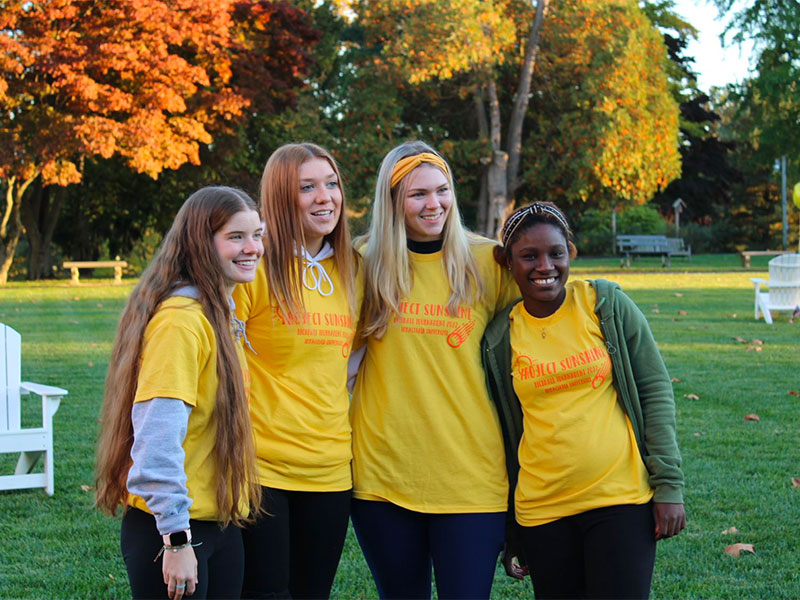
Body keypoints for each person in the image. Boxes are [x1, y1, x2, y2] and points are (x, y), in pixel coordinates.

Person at [482, 202, 686, 599]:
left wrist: (669, 486)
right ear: (508, 263)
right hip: (542, 510)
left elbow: (655, 391)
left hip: (619, 499)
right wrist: (512, 529)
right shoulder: (499, 338)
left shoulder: (604, 305)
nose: (545, 266)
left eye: (556, 253)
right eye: (529, 256)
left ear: (569, 253)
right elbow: (502, 436)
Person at [349, 140, 520, 599]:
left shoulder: (489, 261)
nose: (434, 204)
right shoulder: (362, 263)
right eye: (417, 194)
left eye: (442, 190)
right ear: (392, 201)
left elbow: (544, 322)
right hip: (383, 476)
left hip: (472, 477)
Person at [95, 186, 265, 600]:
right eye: (235, 237)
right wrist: (176, 541)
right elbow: (157, 440)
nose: (252, 248)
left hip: (219, 523)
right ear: (200, 245)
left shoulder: (220, 314)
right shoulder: (181, 325)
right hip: (174, 532)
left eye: (257, 235)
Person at [232, 143, 361, 599]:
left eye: (331, 184)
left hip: (330, 469)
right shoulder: (254, 265)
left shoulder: (353, 270)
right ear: (281, 197)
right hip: (262, 468)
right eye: (307, 187)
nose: (324, 196)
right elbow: (219, 363)